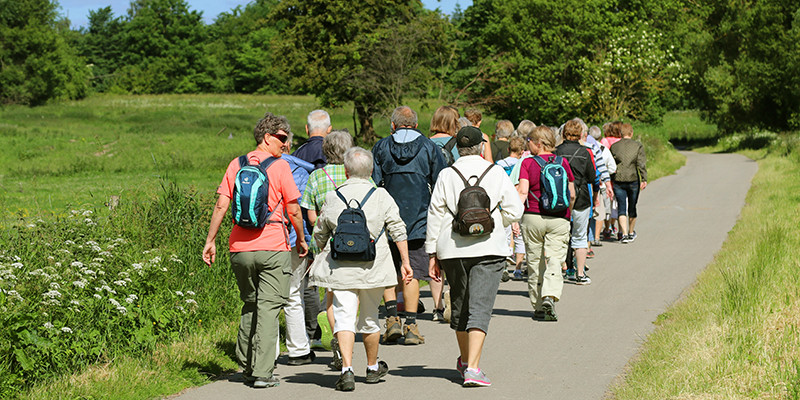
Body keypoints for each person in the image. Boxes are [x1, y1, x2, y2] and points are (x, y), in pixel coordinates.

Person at [202, 112, 309, 388]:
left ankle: (246, 364)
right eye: (282, 138)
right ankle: (262, 372)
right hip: (273, 246)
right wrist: (301, 239)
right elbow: (294, 210)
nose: (286, 144)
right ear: (267, 137)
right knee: (269, 308)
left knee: (250, 303)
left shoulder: (236, 164)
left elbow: (221, 205)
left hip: (239, 248)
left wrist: (210, 240)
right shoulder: (281, 167)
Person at [308, 147, 413, 391]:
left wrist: (320, 251)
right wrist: (405, 262)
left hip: (341, 269)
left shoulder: (333, 196)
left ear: (346, 171)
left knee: (344, 317)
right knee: (369, 318)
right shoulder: (381, 195)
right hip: (374, 268)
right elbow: (398, 229)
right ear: (371, 170)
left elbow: (320, 233)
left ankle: (346, 370)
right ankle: (372, 367)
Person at [427, 126, 523, 387]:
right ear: (482, 146)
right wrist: (495, 222)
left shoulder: (447, 174)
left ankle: (465, 360)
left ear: (458, 148)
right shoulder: (496, 172)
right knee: (480, 307)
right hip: (489, 248)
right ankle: (473, 368)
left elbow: (434, 214)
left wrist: (432, 253)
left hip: (452, 249)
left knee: (460, 306)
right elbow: (515, 210)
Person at [372, 106, 446, 345]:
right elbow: (440, 182)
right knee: (411, 271)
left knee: (389, 270)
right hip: (418, 219)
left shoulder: (381, 147)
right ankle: (411, 326)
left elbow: (374, 182)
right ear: (415, 125)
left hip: (387, 218)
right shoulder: (429, 147)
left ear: (393, 125)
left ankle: (391, 320)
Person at [299, 130, 357, 368]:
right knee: (351, 292)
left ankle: (333, 336)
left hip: (326, 243)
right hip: (356, 243)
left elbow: (311, 217)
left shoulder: (316, 176)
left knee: (328, 290)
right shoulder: (356, 173)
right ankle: (347, 335)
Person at [517, 126, 576, 321]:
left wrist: (515, 217)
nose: (528, 145)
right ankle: (550, 295)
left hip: (533, 217)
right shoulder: (563, 162)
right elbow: (572, 193)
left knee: (534, 262)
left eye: (529, 141)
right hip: (559, 217)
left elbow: (523, 191)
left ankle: (538, 306)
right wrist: (568, 213)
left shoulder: (527, 163)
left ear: (538, 143)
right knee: (555, 259)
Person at [292, 109, 332, 348]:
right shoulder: (333, 151)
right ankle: (330, 322)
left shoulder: (297, 154)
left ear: (307, 129)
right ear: (329, 129)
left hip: (306, 225)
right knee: (332, 276)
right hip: (332, 224)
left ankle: (312, 331)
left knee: (308, 280)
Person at [280, 130, 318, 366]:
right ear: (288, 144)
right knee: (293, 294)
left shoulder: (246, 164)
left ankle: (264, 352)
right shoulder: (299, 170)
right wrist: (304, 239)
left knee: (264, 298)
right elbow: (298, 210)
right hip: (292, 239)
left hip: (256, 241)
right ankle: (298, 350)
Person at [555, 119, 596, 285]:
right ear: (580, 134)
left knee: (560, 235)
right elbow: (592, 177)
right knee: (580, 236)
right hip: (581, 197)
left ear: (564, 133)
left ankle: (562, 269)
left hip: (559, 197)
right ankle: (580, 274)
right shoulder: (585, 152)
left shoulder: (556, 152)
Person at [496, 135, 527, 280]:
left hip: (503, 202)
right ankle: (518, 269)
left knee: (505, 235)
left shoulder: (499, 164)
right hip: (519, 201)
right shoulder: (523, 164)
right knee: (519, 236)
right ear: (522, 151)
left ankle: (503, 266)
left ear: (508, 149)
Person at [610, 123, 647, 243]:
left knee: (621, 207)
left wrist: (610, 179)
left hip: (618, 179)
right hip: (633, 179)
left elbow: (611, 165)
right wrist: (644, 178)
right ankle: (631, 232)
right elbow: (641, 164)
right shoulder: (637, 146)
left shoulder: (614, 146)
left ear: (620, 134)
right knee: (632, 206)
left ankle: (624, 234)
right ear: (631, 133)